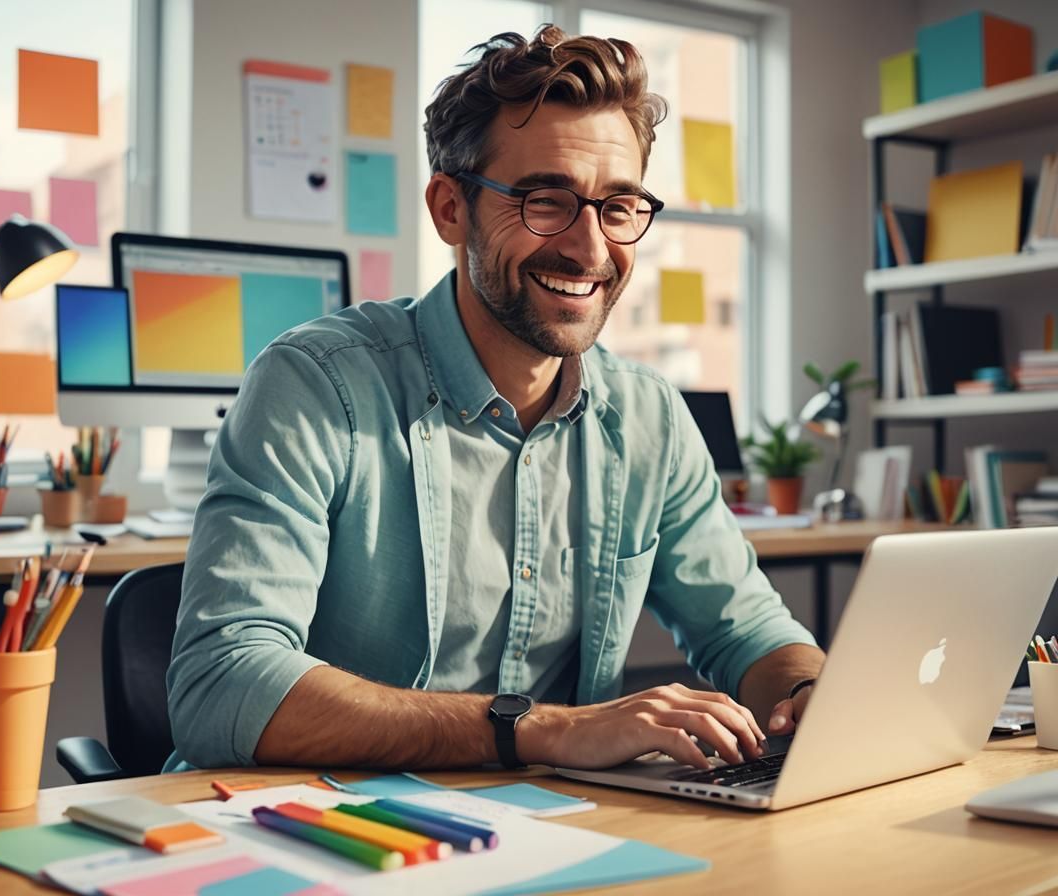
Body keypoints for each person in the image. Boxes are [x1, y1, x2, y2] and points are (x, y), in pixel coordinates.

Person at [167, 24, 824, 774]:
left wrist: (808, 691)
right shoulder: (316, 386)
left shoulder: (648, 417)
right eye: (547, 201)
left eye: (617, 207)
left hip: (552, 830)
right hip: (322, 830)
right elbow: (221, 687)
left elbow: (748, 630)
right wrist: (542, 730)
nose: (590, 249)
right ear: (451, 208)